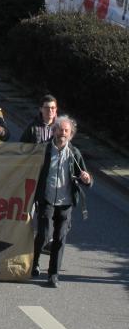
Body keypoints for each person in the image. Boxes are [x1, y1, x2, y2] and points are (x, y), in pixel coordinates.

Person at [31, 116, 93, 288]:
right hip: (46, 199)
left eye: (66, 131)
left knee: (60, 238)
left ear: (71, 134)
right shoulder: (44, 150)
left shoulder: (74, 153)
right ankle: (34, 261)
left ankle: (53, 275)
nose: (62, 133)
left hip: (65, 202)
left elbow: (85, 177)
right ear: (54, 131)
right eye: (60, 130)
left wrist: (87, 179)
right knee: (43, 234)